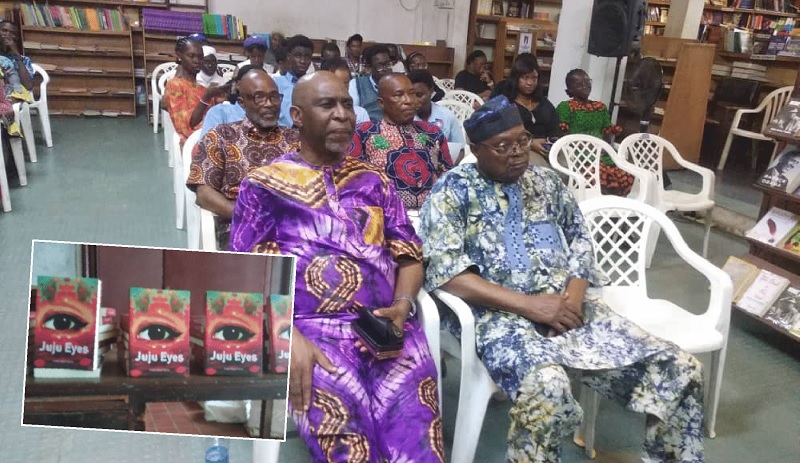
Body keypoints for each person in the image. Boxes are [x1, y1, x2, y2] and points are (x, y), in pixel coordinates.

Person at [419, 95, 705, 463]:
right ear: (476, 149)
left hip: (570, 311)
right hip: (499, 319)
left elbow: (581, 240)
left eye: (522, 141)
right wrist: (534, 307)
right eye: (502, 146)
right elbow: (446, 273)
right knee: (547, 386)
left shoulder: (547, 183)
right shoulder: (453, 189)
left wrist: (571, 296)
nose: (518, 153)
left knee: (681, 369)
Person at [229, 71, 444, 463]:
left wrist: (403, 304)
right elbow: (247, 276)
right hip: (311, 332)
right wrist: (287, 336)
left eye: (347, 104)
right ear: (296, 115)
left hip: (385, 325)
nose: (343, 115)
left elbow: (409, 255)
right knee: (348, 444)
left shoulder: (374, 181)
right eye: (328, 105)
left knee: (416, 439)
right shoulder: (263, 186)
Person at [188, 68, 299, 251]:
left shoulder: (295, 139)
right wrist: (248, 216)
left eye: (274, 97)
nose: (269, 104)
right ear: (242, 103)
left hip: (294, 227)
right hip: (242, 226)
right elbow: (204, 193)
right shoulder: (222, 136)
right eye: (259, 98)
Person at [349, 73, 453, 211]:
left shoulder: (432, 132)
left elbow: (447, 177)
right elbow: (353, 183)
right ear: (381, 103)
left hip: (430, 215)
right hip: (384, 218)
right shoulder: (364, 133)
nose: (408, 100)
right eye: (398, 95)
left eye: (412, 94)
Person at [557, 68, 634, 196]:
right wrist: (586, 146)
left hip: (602, 152)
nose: (585, 85)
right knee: (601, 174)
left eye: (587, 81)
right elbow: (562, 134)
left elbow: (606, 130)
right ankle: (600, 204)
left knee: (626, 172)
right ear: (570, 90)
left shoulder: (600, 107)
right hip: (579, 155)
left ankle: (616, 206)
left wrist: (611, 136)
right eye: (579, 84)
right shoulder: (566, 107)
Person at [491, 53, 560, 160]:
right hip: (519, 148)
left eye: (534, 78)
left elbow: (555, 130)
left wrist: (551, 143)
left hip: (547, 149)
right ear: (516, 79)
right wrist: (530, 143)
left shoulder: (544, 103)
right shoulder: (506, 102)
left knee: (568, 164)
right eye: (525, 78)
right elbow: (499, 132)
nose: (530, 83)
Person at [162, 36, 228, 146]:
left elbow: (208, 114)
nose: (197, 61)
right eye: (191, 56)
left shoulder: (200, 87)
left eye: (200, 57)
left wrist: (218, 101)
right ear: (179, 55)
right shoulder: (175, 85)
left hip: (211, 137)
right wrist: (207, 97)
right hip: (196, 144)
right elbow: (187, 127)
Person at [408, 69, 466, 162]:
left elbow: (460, 150)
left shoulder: (447, 116)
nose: (415, 101)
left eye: (419, 95)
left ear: (431, 90)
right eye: (411, 95)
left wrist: (448, 172)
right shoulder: (405, 117)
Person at [199, 64, 260, 137]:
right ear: (238, 84)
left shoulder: (270, 114)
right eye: (254, 83)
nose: (259, 87)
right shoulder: (220, 113)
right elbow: (208, 144)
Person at [275, 34, 315, 127]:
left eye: (307, 56)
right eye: (298, 56)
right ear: (289, 56)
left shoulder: (314, 86)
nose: (303, 61)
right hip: (280, 135)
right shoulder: (276, 84)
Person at [348, 44, 394, 122]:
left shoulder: (397, 84)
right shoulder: (356, 84)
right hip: (367, 129)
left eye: (387, 64)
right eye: (380, 66)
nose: (385, 69)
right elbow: (352, 112)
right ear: (369, 68)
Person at [319, 58, 370, 125]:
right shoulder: (318, 113)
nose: (342, 88)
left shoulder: (360, 113)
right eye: (337, 83)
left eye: (346, 83)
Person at [0, 20, 33, 91]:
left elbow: (28, 86)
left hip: (15, 95)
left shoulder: (24, 60)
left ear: (16, 38)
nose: (7, 34)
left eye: (12, 33)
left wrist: (17, 56)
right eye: (4, 30)